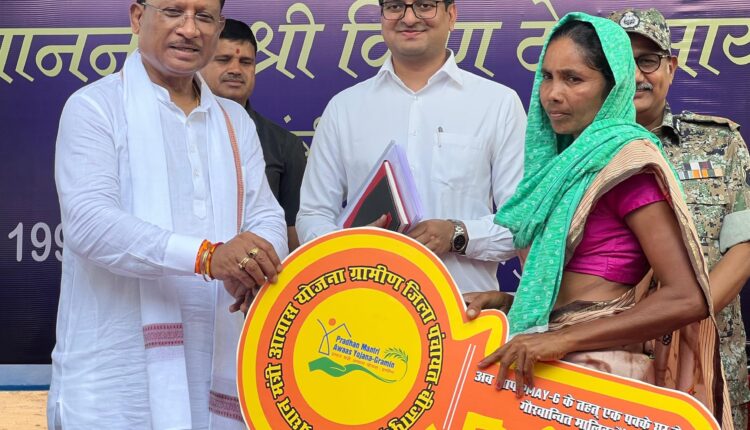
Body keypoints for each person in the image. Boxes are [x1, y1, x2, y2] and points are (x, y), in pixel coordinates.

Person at [468, 13, 732, 426]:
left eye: (573, 79)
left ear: (613, 87)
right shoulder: (567, 166)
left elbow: (687, 297)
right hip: (551, 371)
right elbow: (582, 294)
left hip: (598, 379)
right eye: (547, 77)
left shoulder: (626, 164)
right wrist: (508, 302)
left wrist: (562, 339)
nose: (553, 94)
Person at [48, 0, 288, 428]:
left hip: (216, 363)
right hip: (119, 380)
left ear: (217, 28)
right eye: (174, 11)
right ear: (138, 17)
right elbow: (89, 224)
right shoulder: (96, 107)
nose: (190, 29)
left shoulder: (234, 121)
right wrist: (208, 257)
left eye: (204, 17)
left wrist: (253, 262)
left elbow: (266, 215)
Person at [296, 0, 527, 293]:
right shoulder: (344, 108)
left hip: (461, 308)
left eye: (424, 5)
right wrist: (353, 246)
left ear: (451, 15)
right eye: (395, 7)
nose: (408, 18)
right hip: (363, 304)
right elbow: (312, 215)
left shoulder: (498, 104)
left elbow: (521, 223)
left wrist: (457, 234)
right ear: (382, 16)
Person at [608, 8, 750, 428]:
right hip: (610, 363)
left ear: (670, 67)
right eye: (620, 62)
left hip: (706, 365)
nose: (635, 75)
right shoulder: (576, 154)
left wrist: (676, 315)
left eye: (648, 61)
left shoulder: (720, 143)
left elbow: (743, 249)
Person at [201, 18, 308, 251]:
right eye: (223, 59)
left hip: (257, 268)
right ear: (201, 64)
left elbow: (293, 233)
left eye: (246, 62)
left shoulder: (284, 145)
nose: (235, 70)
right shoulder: (179, 129)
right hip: (188, 264)